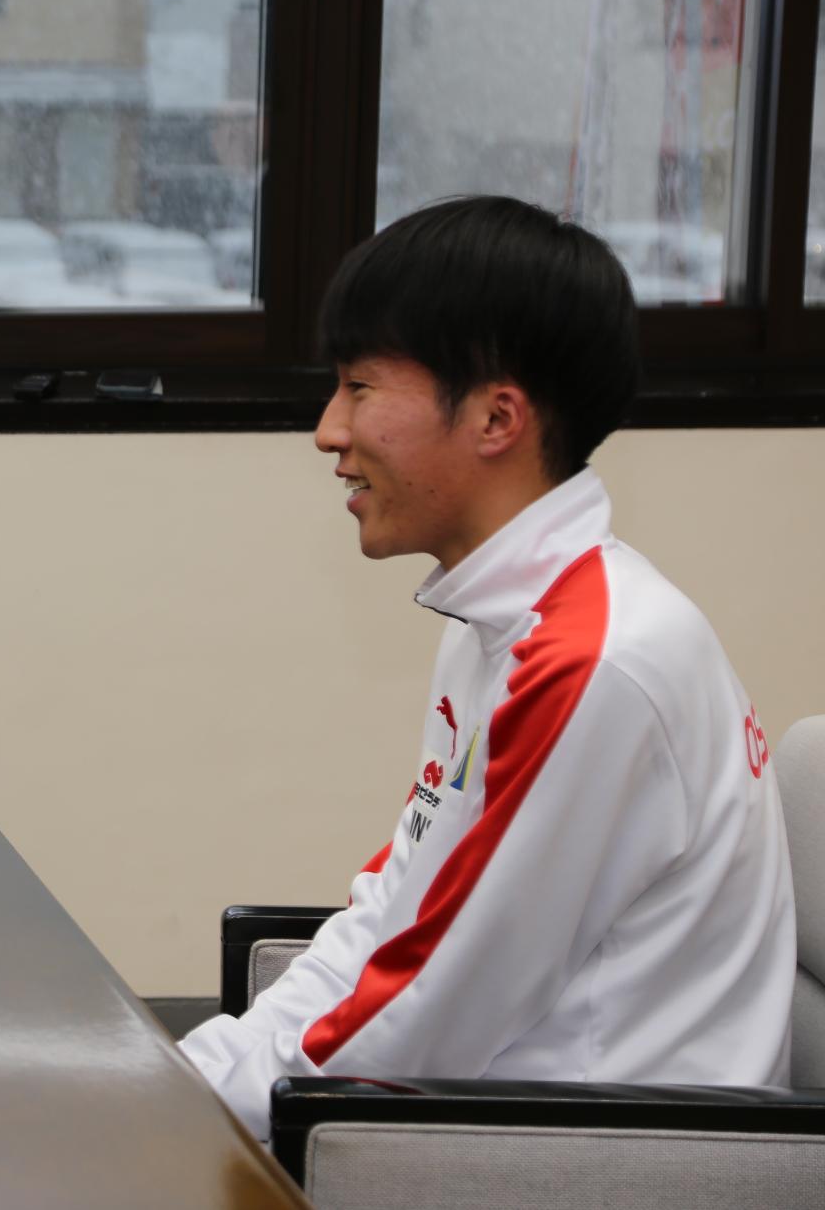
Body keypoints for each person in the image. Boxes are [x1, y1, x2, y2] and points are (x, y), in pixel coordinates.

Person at [179, 195, 795, 1140]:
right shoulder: (502, 616)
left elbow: (424, 1013)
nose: (328, 431)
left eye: (359, 387)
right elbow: (397, 909)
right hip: (511, 1118)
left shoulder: (593, 659)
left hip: (585, 1160)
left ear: (498, 416)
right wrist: (193, 1074)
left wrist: (169, 1115)